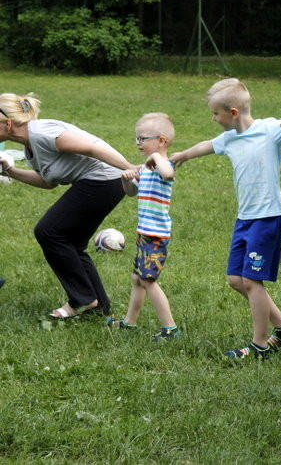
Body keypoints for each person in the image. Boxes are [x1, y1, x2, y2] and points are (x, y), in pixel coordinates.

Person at [170, 78, 281, 359]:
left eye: (215, 113)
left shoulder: (270, 130)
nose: (213, 119)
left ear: (233, 112)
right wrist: (182, 156)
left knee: (252, 282)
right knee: (236, 280)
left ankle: (259, 344)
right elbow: (205, 146)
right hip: (245, 219)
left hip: (268, 218)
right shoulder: (228, 139)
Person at [0, 92, 136, 318]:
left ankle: (82, 300)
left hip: (104, 179)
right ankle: (98, 306)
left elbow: (94, 148)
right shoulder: (30, 147)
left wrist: (130, 168)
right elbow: (47, 183)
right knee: (71, 243)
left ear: (7, 123)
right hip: (102, 182)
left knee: (49, 231)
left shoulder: (43, 134)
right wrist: (9, 170)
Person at [107, 113, 181, 342]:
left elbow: (168, 172)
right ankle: (129, 322)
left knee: (148, 280)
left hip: (156, 236)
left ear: (161, 140)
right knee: (137, 278)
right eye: (136, 138)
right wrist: (126, 179)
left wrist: (156, 158)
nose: (137, 143)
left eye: (142, 138)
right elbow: (132, 192)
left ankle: (170, 328)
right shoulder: (147, 169)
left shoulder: (162, 166)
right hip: (144, 233)